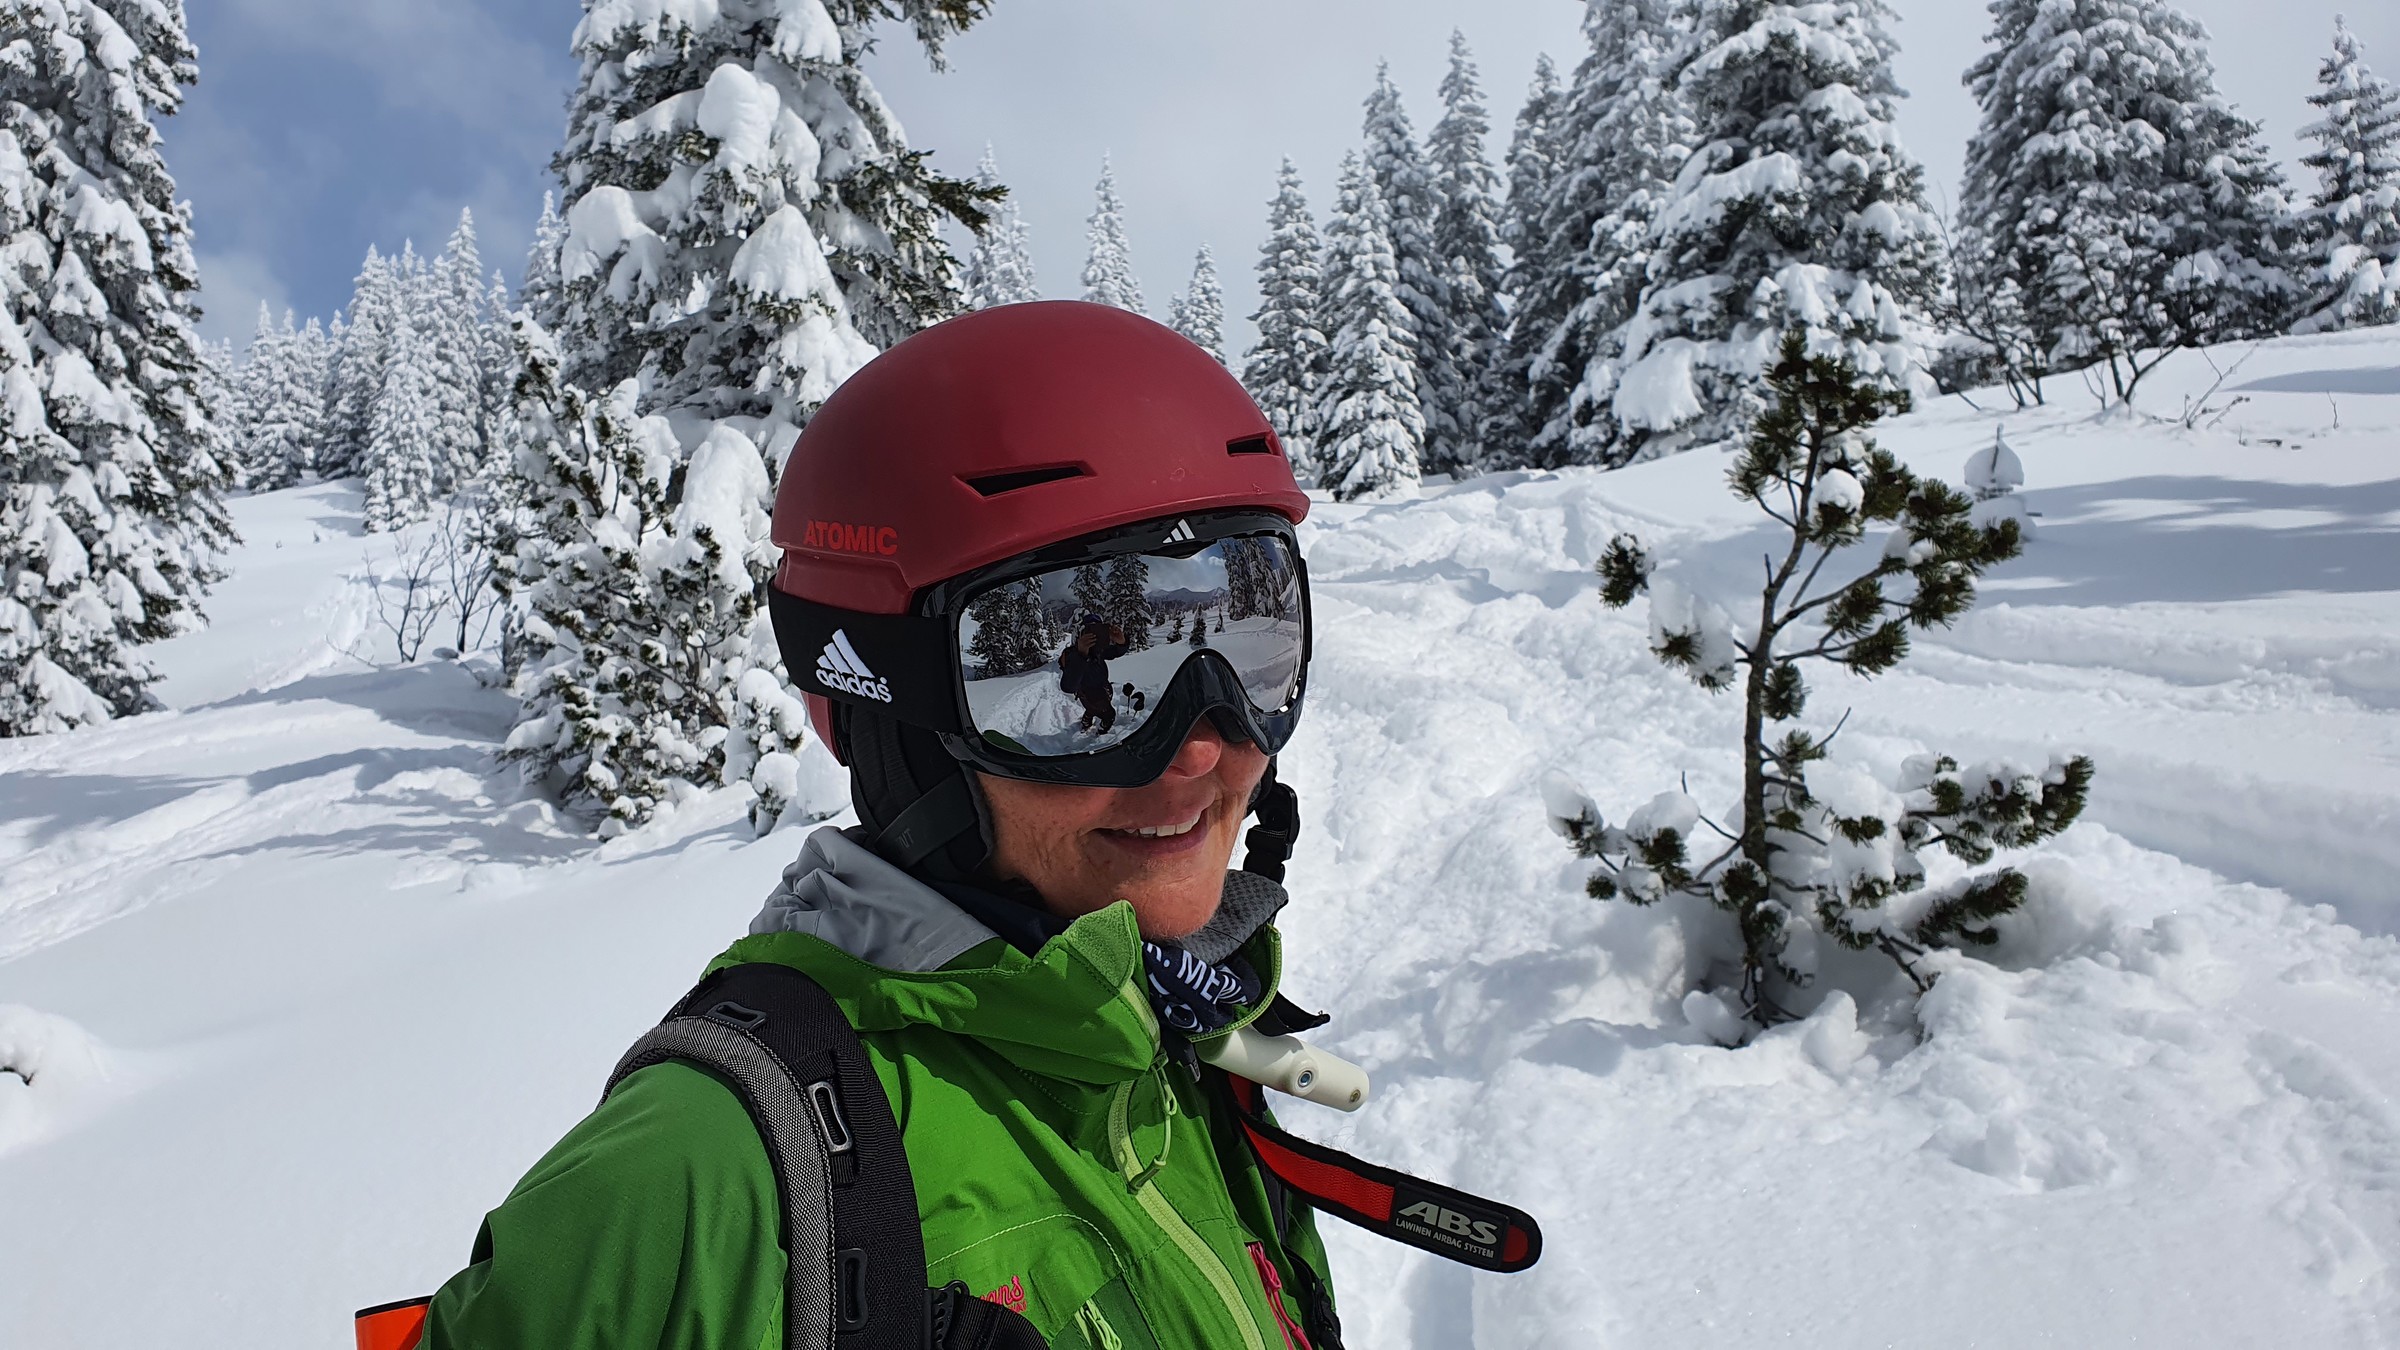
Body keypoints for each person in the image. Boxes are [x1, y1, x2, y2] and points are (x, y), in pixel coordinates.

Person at [413, 302, 1344, 1350]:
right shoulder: (711, 1172)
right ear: (881, 710)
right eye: (1040, 685)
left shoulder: (1171, 1037)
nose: (1204, 750)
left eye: (1253, 639)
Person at [1060, 613, 1130, 733]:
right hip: (1089, 695)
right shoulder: (1071, 654)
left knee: (1091, 709)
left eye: (1098, 630)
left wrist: (1121, 642)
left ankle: (1086, 721)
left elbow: (1116, 652)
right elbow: (1068, 687)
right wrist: (1081, 654)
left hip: (1101, 690)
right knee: (1109, 714)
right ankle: (1101, 733)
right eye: (1089, 630)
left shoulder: (1098, 650)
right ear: (1081, 632)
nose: (1094, 634)